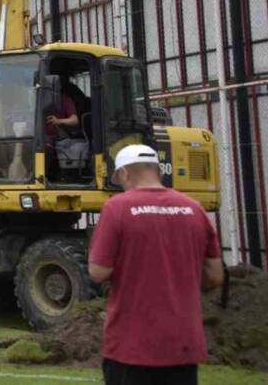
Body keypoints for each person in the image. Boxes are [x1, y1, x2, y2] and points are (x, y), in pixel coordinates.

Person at [88, 144, 224, 385]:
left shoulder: (117, 208)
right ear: (157, 170)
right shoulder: (194, 208)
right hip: (183, 344)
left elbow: (98, 272)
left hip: (132, 345)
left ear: (125, 173)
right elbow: (215, 276)